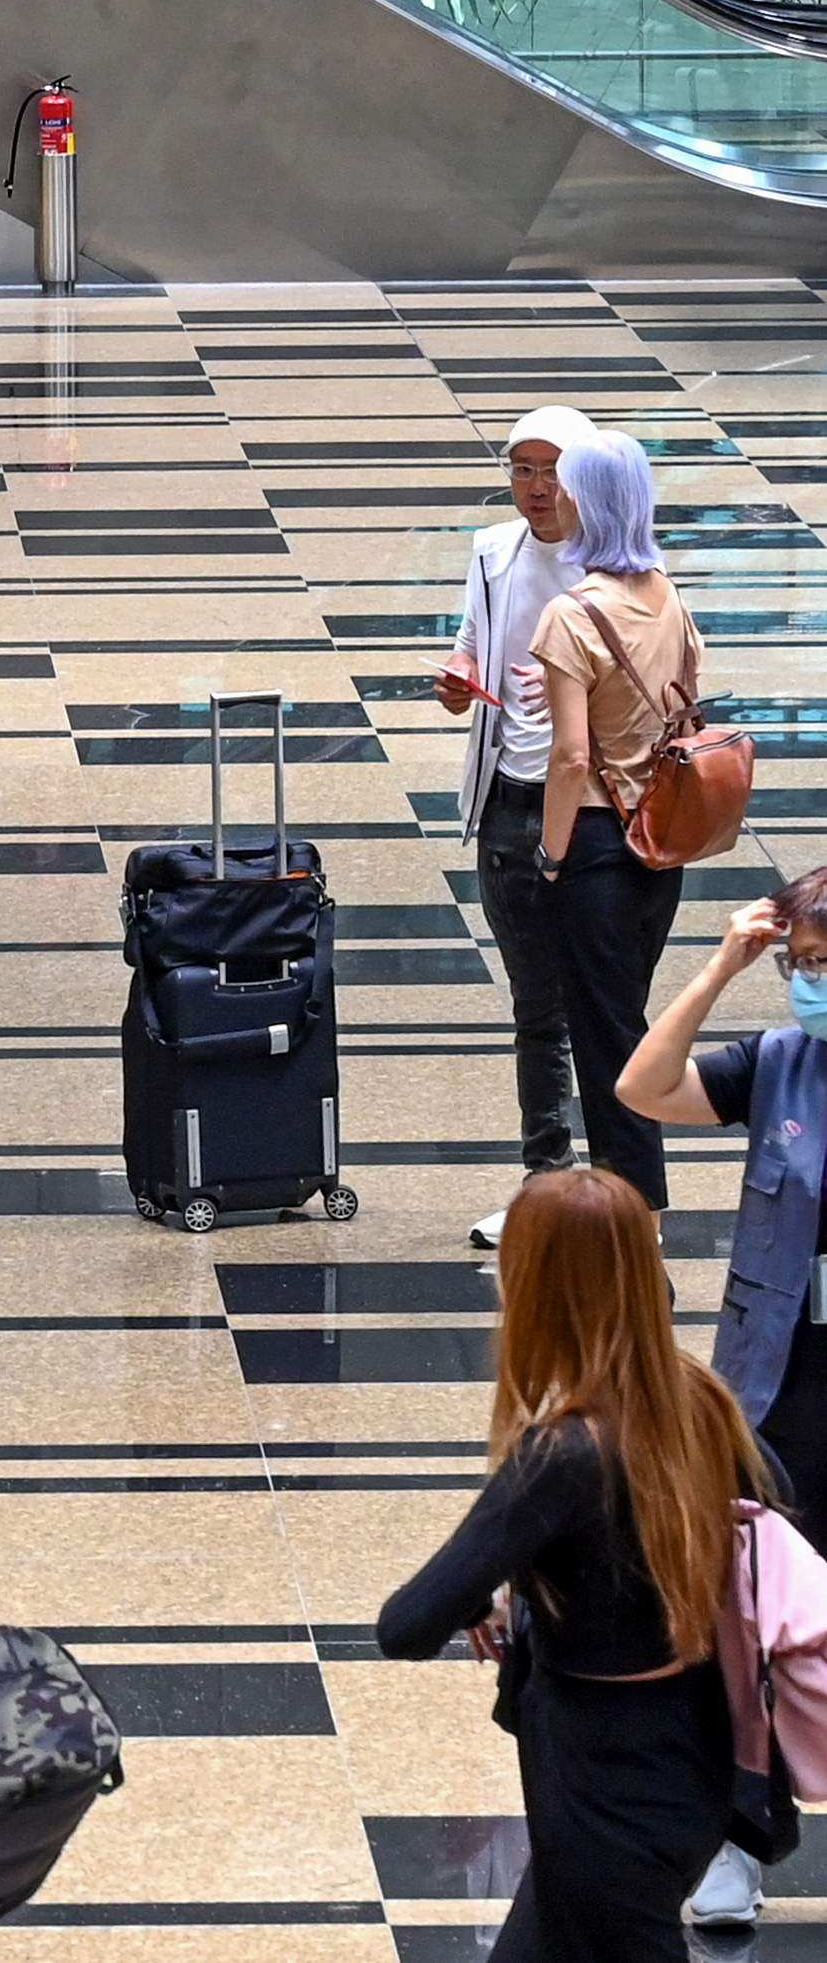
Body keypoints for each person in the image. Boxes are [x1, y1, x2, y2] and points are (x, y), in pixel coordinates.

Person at [378, 1165, 759, 1962]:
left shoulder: (563, 1455)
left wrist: (487, 1592)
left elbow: (405, 1623)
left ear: (541, 1289)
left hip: (595, 1794)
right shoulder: (706, 1408)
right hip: (692, 1767)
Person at [616, 868, 827, 1931]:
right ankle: (740, 1843)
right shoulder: (779, 1065)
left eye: (822, 967)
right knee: (744, 1623)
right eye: (798, 967)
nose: (808, 986)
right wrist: (717, 969)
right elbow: (640, 1090)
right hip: (777, 1382)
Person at [526, 428, 702, 1215]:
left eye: (564, 483)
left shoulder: (572, 614)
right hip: (659, 842)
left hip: (595, 841)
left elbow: (567, 760)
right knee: (622, 1020)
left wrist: (549, 854)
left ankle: (637, 1225)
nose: (552, 493)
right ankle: (639, 1218)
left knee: (606, 1046)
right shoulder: (665, 590)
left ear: (587, 501)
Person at [443, 406, 597, 1250]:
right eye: (521, 469)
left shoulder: (613, 563)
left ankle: (622, 1199)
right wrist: (462, 675)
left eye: (551, 468)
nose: (536, 487)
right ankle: (543, 1189)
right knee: (537, 1007)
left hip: (601, 808)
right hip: (510, 800)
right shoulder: (492, 552)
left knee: (606, 1008)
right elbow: (471, 639)